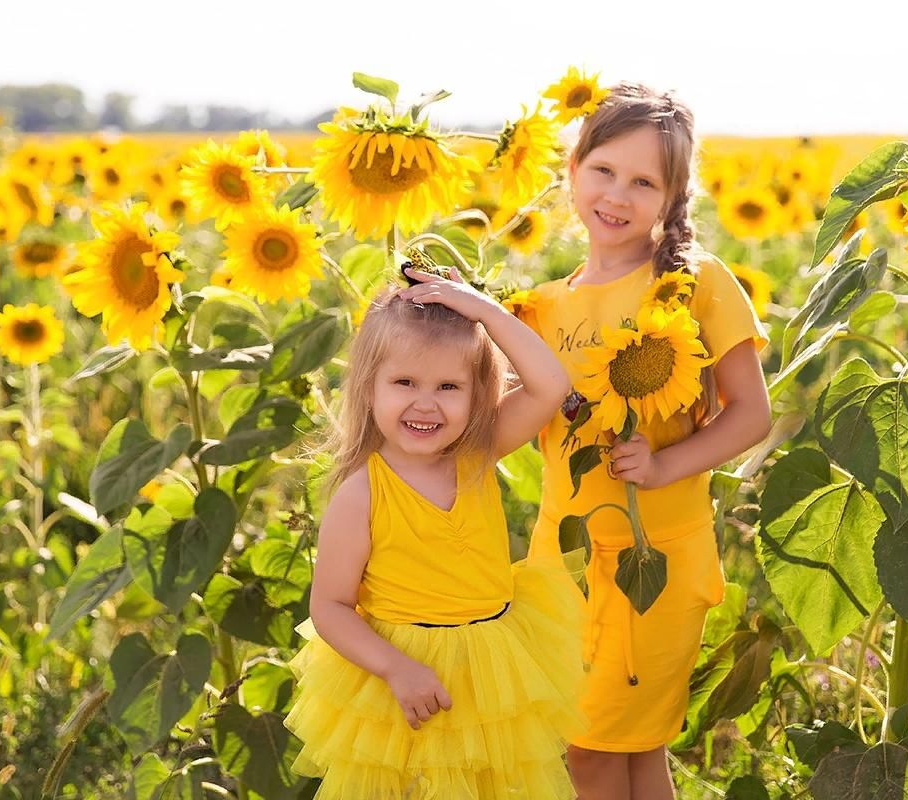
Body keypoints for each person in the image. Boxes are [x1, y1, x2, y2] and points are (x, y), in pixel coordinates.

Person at [514, 82, 772, 798]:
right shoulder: (546, 307)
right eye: (603, 170)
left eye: (643, 181)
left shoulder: (694, 285)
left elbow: (751, 412)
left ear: (672, 198)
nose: (617, 195)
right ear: (573, 169)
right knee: (628, 753)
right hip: (563, 558)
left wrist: (666, 464)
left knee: (595, 750)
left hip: (654, 557)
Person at [284, 269, 586, 800]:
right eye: (405, 383)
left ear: (477, 394)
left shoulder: (478, 453)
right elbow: (330, 606)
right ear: (370, 387)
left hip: (492, 675)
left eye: (449, 387)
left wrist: (485, 312)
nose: (426, 404)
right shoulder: (363, 494)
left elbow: (550, 385)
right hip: (402, 680)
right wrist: (396, 668)